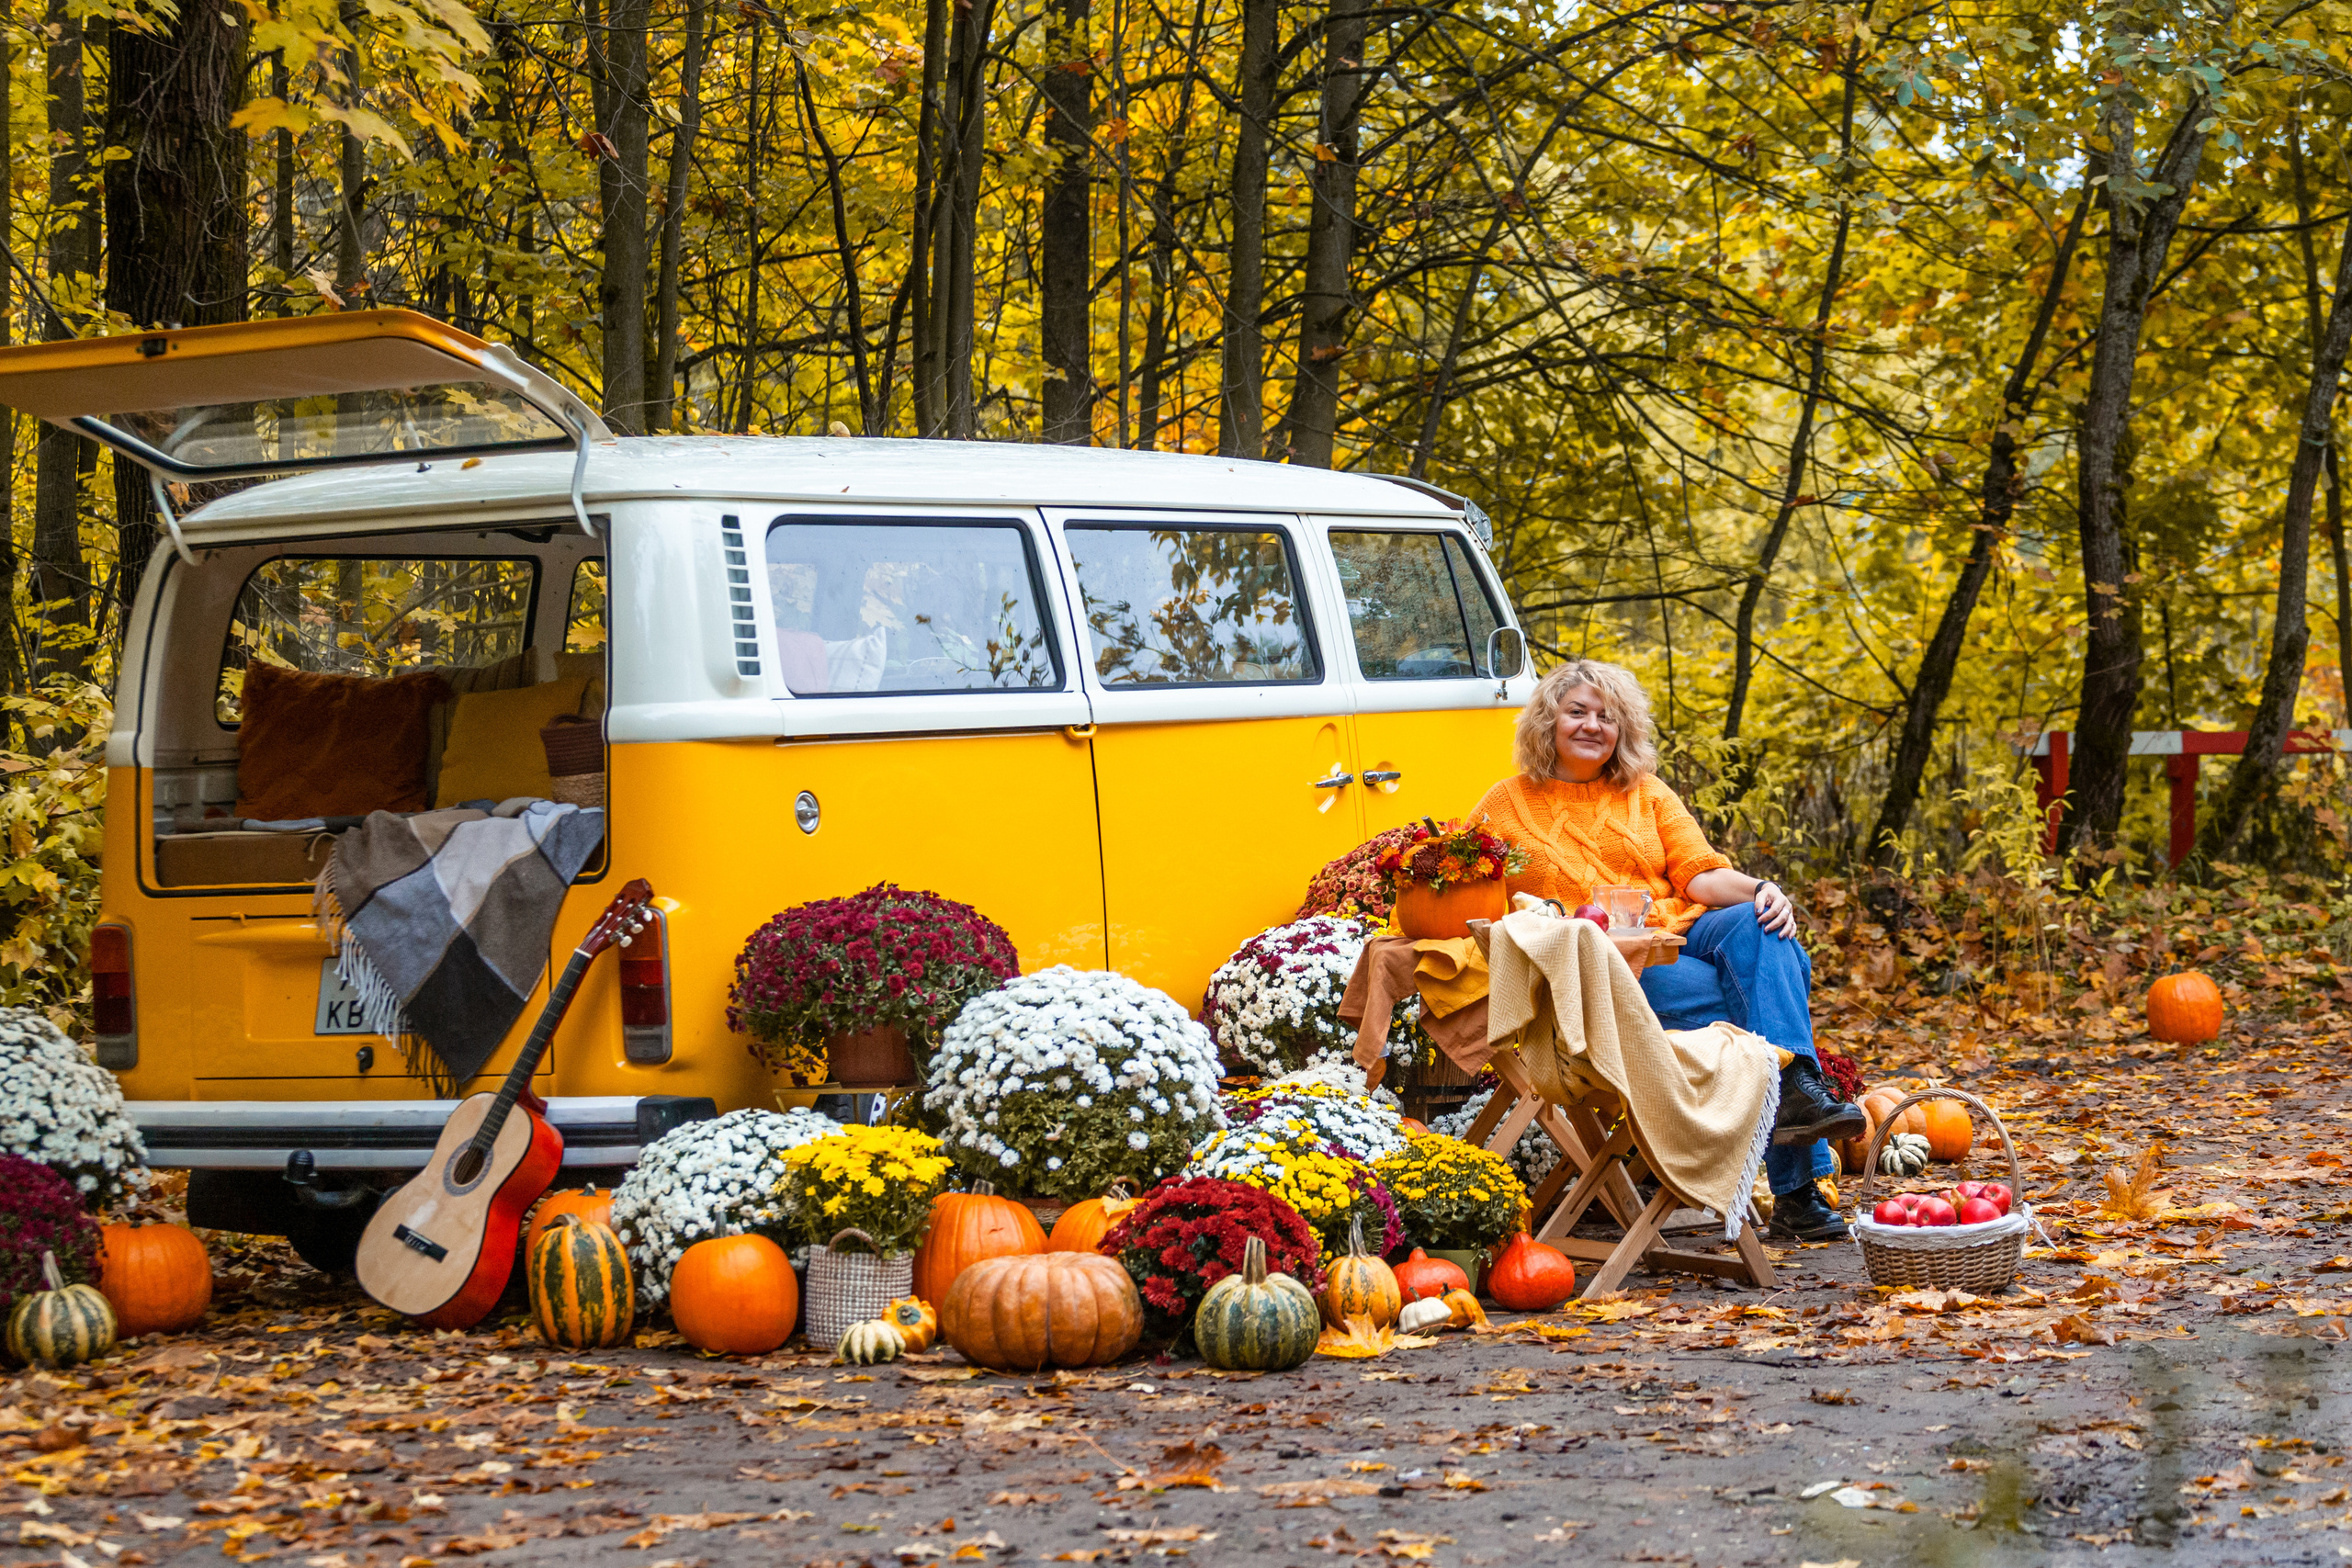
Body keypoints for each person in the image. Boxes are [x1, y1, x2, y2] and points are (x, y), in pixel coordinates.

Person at [1469, 658, 1864, 1241]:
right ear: (1547, 721)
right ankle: (1799, 1183)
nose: (1591, 725)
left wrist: (1762, 890)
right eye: (1576, 711)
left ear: (1622, 730)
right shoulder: (1504, 804)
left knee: (1762, 929)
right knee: (1780, 979)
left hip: (1681, 935)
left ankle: (1796, 1097)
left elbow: (1701, 877)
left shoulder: (1647, 792)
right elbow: (1471, 888)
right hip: (1599, 970)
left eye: (1607, 717)